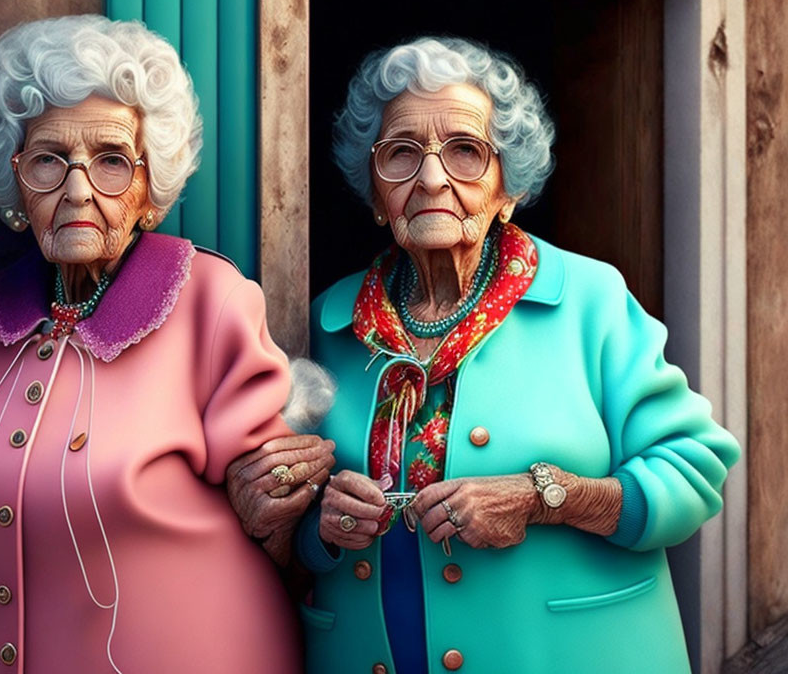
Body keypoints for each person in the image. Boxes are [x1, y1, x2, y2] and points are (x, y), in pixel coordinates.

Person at [294, 36, 740, 674]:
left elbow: (695, 470)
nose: (430, 178)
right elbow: (289, 530)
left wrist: (542, 497)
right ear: (374, 194)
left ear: (509, 186)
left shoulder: (591, 302)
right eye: (400, 154)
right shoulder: (326, 323)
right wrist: (323, 531)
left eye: (466, 152)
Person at [0, 14, 332, 674]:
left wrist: (283, 498)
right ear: (16, 183)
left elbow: (281, 518)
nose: (78, 190)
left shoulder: (207, 299)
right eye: (50, 161)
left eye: (112, 161)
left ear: (150, 189)